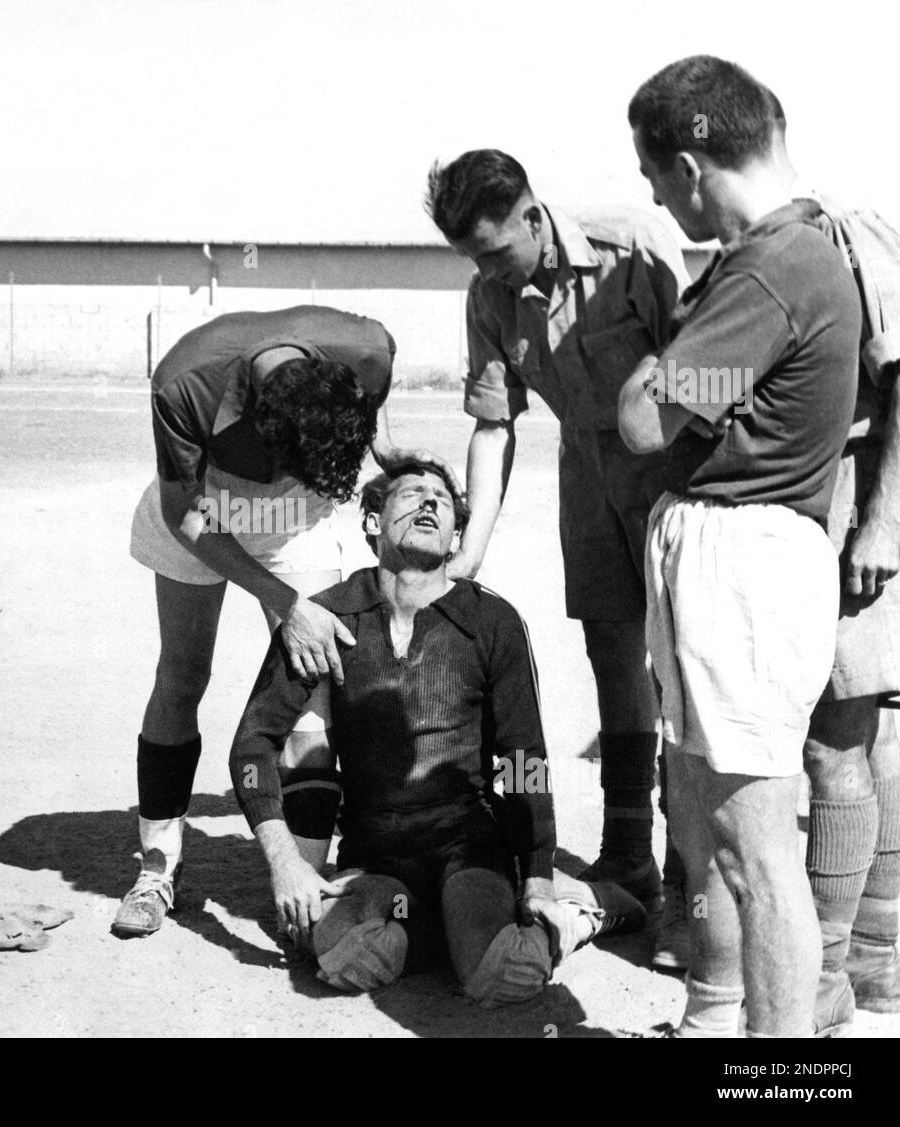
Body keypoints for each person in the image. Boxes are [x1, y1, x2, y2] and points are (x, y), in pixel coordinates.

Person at [619, 55, 862, 1037]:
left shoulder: (772, 267)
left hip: (745, 558)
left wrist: (653, 374)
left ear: (687, 162)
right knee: (710, 824)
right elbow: (682, 408)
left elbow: (647, 421)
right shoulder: (777, 256)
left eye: (651, 179)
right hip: (726, 550)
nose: (653, 200)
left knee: (760, 853)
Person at [229, 462, 644, 999]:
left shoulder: (491, 621)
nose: (429, 504)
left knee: (504, 974)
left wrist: (538, 873)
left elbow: (524, 759)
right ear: (373, 522)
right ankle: (440, 932)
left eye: (442, 501)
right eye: (411, 495)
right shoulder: (326, 618)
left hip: (466, 847)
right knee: (347, 957)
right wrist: (286, 864)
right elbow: (252, 746)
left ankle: (582, 910)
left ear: (454, 536)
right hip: (373, 858)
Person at [115, 306, 459, 937]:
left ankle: (307, 882)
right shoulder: (184, 383)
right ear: (262, 429)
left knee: (316, 685)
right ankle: (158, 865)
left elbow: (369, 401)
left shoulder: (366, 347)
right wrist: (288, 604)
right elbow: (184, 515)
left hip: (296, 513)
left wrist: (381, 448)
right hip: (205, 507)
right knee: (183, 673)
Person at [425, 150, 692, 964]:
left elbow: (704, 372)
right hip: (587, 473)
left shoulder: (635, 246)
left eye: (497, 251)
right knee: (613, 659)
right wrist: (467, 553)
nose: (489, 270)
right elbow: (496, 422)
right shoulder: (489, 295)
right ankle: (628, 853)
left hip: (675, 470)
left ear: (534, 217)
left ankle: (690, 880)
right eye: (473, 258)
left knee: (680, 671)